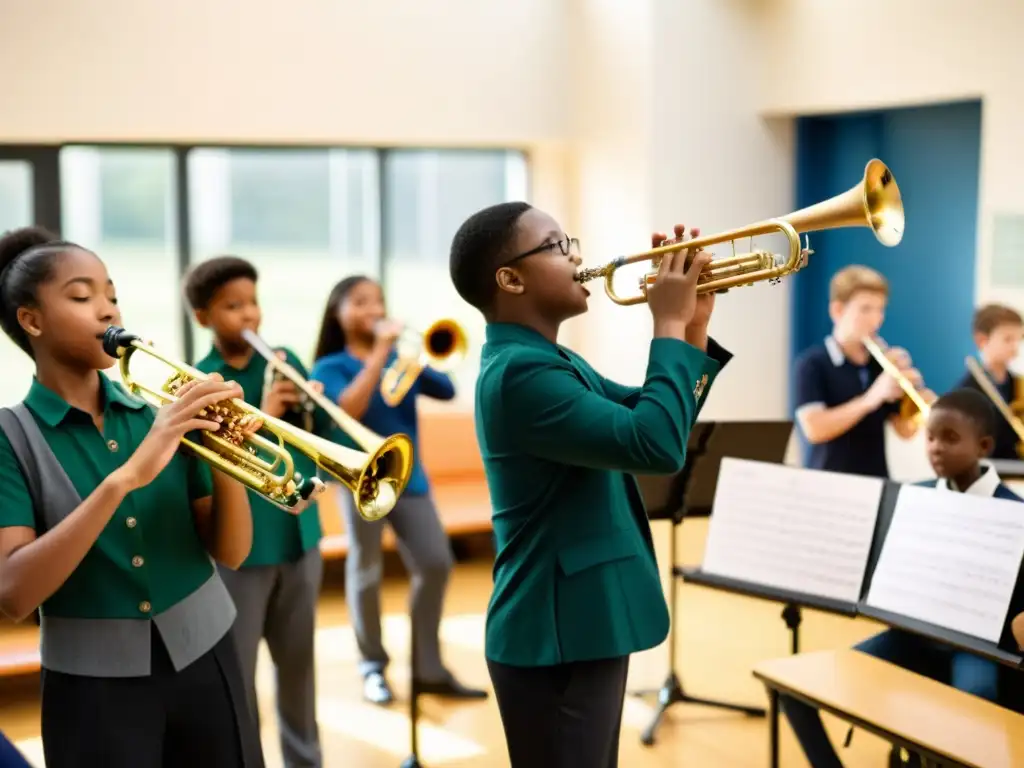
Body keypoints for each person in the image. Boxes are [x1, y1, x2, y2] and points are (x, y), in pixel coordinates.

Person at [448, 201, 731, 768]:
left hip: (582, 621)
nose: (579, 255)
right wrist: (668, 325)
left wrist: (693, 327)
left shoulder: (546, 359)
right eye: (557, 246)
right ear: (510, 279)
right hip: (554, 633)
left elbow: (654, 417)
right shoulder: (521, 375)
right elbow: (656, 445)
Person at [0, 227, 265, 767]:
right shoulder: (10, 437)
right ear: (31, 321)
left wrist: (229, 460)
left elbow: (232, 553)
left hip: (210, 654)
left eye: (112, 295)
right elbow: (14, 595)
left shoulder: (158, 411)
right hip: (91, 689)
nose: (106, 311)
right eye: (81, 296)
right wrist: (124, 478)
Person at [780, 388, 1024, 768]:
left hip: (974, 648)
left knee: (977, 698)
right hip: (910, 635)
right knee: (799, 691)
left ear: (984, 445)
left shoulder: (1015, 512)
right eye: (930, 437)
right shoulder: (914, 495)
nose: (935, 448)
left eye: (950, 438)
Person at [308, 275, 488, 706]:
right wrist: (381, 355)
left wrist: (416, 355)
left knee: (436, 562)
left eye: (379, 301)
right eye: (361, 302)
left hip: (410, 480)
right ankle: (373, 666)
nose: (373, 309)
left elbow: (445, 390)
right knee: (366, 572)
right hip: (359, 481)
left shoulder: (400, 361)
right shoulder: (328, 367)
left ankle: (429, 667)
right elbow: (348, 407)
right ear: (339, 312)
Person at [184, 255, 330, 768]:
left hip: (300, 540)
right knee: (240, 678)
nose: (249, 316)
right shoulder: (199, 380)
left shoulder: (285, 359)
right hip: (242, 555)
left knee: (300, 672)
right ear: (203, 317)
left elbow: (321, 444)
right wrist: (266, 413)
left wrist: (312, 408)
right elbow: (215, 468)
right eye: (232, 306)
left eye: (253, 303)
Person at [793, 264, 932, 478]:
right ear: (837, 310)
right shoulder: (811, 364)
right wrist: (872, 398)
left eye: (880, 309)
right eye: (866, 309)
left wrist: (913, 402)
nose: (876, 319)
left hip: (876, 481)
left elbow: (904, 432)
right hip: (827, 482)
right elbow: (814, 430)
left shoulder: (881, 365)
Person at [953, 303, 1024, 460]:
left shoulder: (1019, 384)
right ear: (982, 341)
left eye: (1019, 340)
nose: (1015, 348)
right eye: (1008, 339)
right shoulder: (966, 391)